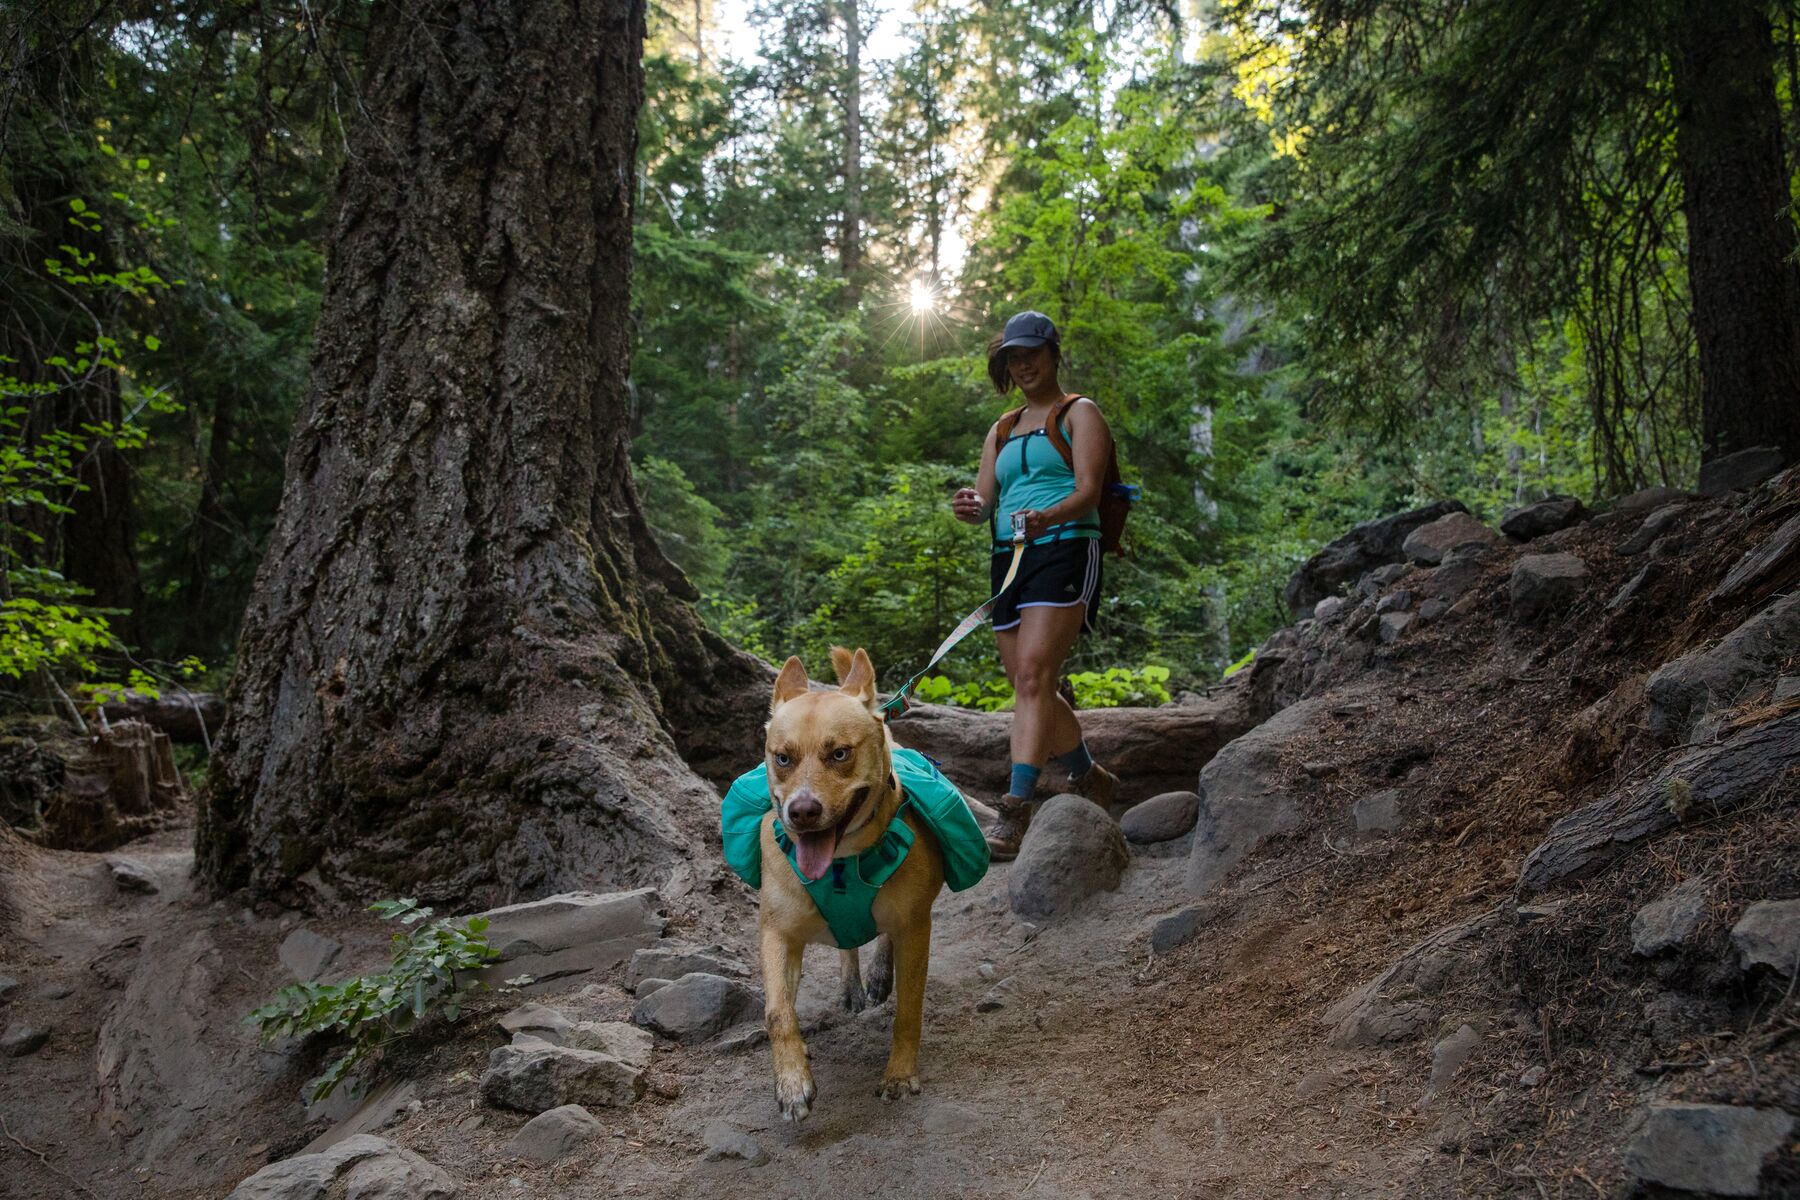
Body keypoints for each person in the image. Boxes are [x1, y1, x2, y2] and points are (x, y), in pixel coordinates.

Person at [951, 311, 1122, 859]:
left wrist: (1046, 517)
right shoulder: (1001, 429)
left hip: (1067, 548)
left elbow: (1090, 491)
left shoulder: (1080, 413)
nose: (1023, 364)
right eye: (1012, 358)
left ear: (1052, 354)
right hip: (1008, 558)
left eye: (1031, 353)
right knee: (1030, 685)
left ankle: (1014, 811)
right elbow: (985, 504)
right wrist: (970, 508)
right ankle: (1087, 775)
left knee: (1032, 675)